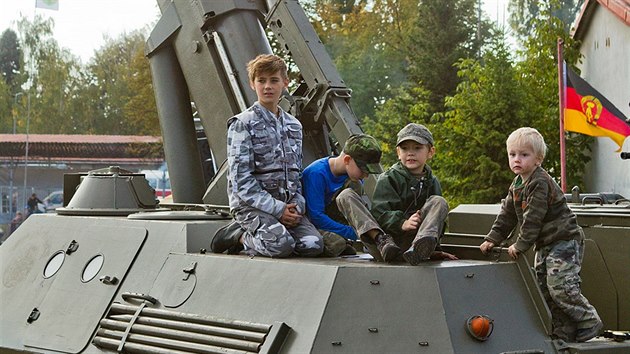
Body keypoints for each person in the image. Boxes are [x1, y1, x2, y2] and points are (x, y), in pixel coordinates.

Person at [479, 127, 602, 342]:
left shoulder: (539, 182)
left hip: (564, 240)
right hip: (545, 244)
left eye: (524, 155)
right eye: (512, 154)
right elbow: (507, 215)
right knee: (544, 288)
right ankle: (564, 329)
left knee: (561, 286)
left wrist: (520, 245)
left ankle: (589, 320)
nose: (517, 159)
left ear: (538, 159)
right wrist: (493, 238)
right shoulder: (517, 184)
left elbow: (533, 218)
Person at [211, 54, 324, 258]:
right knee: (280, 246)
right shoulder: (242, 124)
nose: (267, 86)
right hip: (252, 208)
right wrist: (277, 209)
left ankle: (272, 235)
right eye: (261, 81)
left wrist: (295, 205)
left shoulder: (294, 126)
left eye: (274, 80)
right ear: (253, 84)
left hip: (286, 206)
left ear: (285, 83)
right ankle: (239, 236)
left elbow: (296, 173)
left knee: (313, 245)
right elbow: (240, 181)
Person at [302, 134, 401, 261]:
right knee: (335, 244)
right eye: (363, 170)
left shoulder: (353, 178)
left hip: (335, 223)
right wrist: (352, 232)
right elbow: (316, 217)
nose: (365, 176)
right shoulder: (317, 173)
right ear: (347, 160)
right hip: (312, 223)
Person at [371, 123, 458, 265]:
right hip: (392, 243)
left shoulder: (432, 181)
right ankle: (417, 248)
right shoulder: (389, 179)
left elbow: (436, 220)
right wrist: (402, 222)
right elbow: (380, 214)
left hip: (415, 242)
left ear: (430, 152)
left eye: (417, 148)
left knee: (439, 201)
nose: (410, 153)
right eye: (405, 149)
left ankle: (421, 248)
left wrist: (436, 249)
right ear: (398, 153)